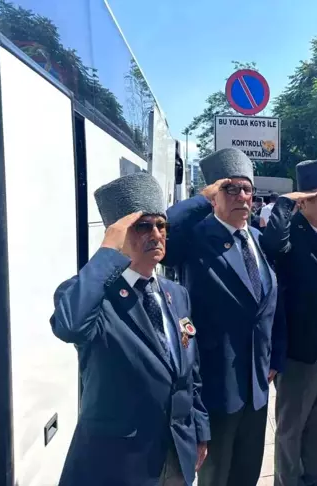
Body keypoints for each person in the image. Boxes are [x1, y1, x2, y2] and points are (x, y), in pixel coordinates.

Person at [50, 172, 210, 486]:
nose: (156, 234)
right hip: (118, 464)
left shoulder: (175, 294)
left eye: (161, 225)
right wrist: (108, 252)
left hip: (176, 453)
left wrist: (200, 429)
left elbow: (191, 373)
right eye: (142, 226)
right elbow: (69, 326)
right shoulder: (95, 296)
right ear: (119, 234)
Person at [164, 148, 286, 486]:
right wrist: (202, 199)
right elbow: (167, 228)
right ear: (214, 195)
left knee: (247, 473)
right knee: (217, 477)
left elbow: (271, 305)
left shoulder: (258, 240)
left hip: (257, 384)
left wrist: (274, 355)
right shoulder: (197, 238)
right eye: (231, 189)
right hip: (217, 389)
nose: (242, 196)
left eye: (248, 189)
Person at [261, 157, 317, 486]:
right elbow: (271, 246)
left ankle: (314, 479)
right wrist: (286, 203)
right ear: (304, 200)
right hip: (299, 351)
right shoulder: (291, 236)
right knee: (292, 428)